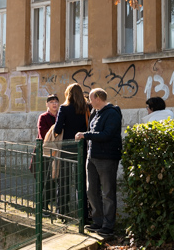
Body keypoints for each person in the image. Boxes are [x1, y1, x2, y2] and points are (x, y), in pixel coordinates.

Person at [76, 88, 123, 240]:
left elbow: (107, 134)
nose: (89, 102)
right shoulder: (95, 112)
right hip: (92, 156)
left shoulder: (112, 113)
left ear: (97, 98)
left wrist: (85, 135)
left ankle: (108, 226)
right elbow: (93, 131)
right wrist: (87, 135)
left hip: (107, 158)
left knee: (108, 192)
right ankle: (98, 221)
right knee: (91, 190)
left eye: (90, 99)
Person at [53, 83, 91, 215]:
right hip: (83, 147)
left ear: (68, 95)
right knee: (82, 179)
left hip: (67, 148)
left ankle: (62, 210)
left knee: (64, 179)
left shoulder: (64, 108)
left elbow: (57, 129)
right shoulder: (87, 108)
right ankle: (83, 211)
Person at [35, 94, 60, 211]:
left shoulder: (60, 116)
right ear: (47, 104)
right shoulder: (43, 117)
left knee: (54, 179)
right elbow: (43, 133)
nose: (54, 104)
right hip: (45, 152)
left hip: (57, 152)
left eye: (56, 102)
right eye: (51, 102)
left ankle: (51, 203)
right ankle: (43, 206)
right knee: (45, 179)